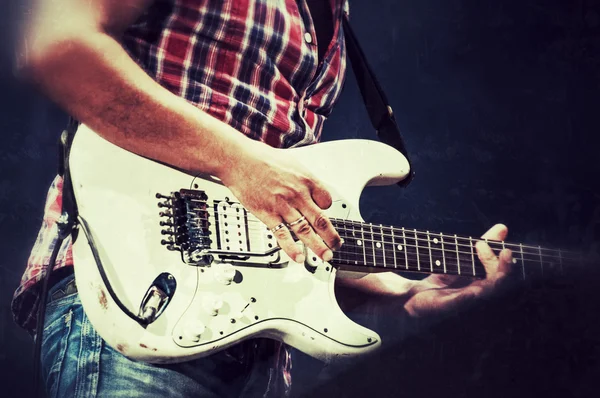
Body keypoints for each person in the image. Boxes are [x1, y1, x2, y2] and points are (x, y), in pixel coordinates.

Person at [12, 0, 513, 396]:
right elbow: (56, 43)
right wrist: (239, 162)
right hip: (136, 296)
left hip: (258, 349)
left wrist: (403, 295)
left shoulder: (336, 18)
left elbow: (273, 227)